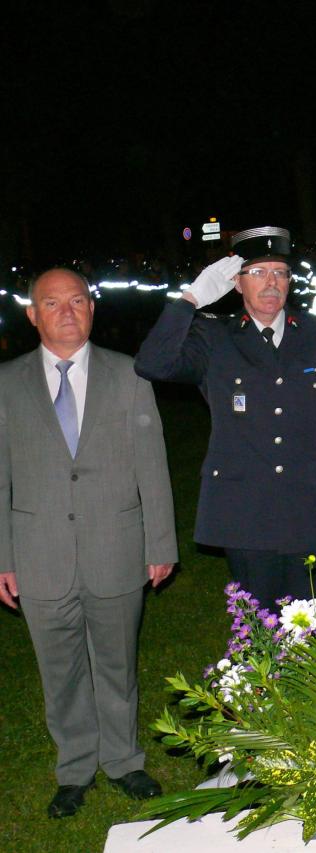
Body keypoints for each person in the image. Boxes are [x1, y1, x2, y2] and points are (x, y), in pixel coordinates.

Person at [0, 269, 177, 817]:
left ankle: (124, 760)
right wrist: (2, 558)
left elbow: (154, 465)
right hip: (39, 552)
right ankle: (75, 767)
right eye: (52, 303)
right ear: (33, 315)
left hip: (116, 545)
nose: (67, 311)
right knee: (61, 671)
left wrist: (161, 542)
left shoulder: (129, 375)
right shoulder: (6, 383)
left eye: (77, 300)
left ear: (92, 309)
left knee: (117, 663)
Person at [136, 227, 316, 608]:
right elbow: (152, 363)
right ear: (235, 284)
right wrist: (189, 299)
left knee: (305, 632)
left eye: (280, 272)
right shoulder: (214, 338)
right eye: (258, 273)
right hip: (244, 512)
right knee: (258, 631)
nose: (271, 283)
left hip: (309, 507)